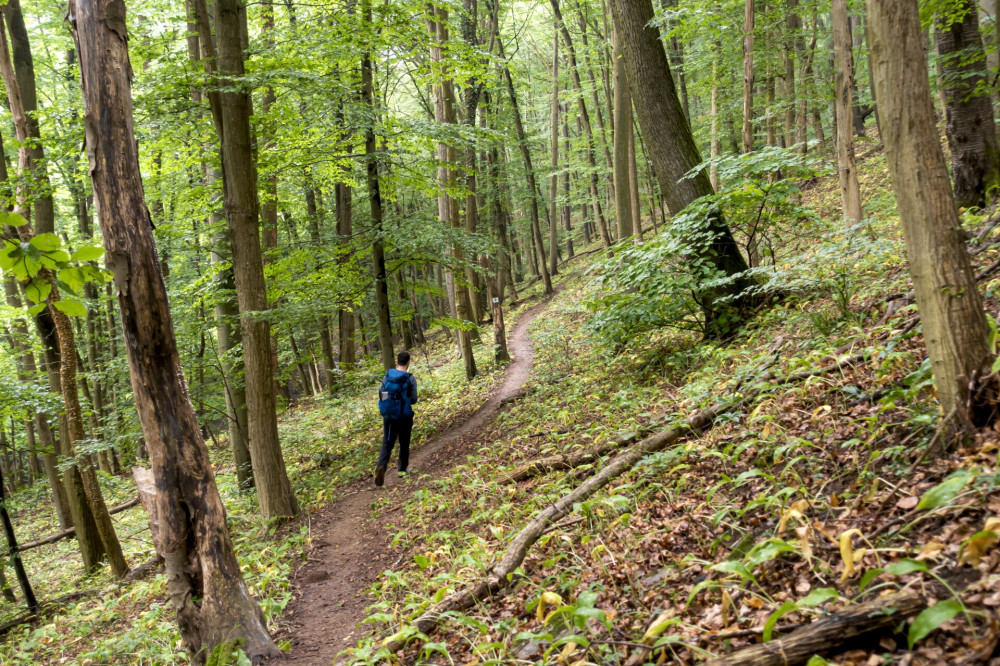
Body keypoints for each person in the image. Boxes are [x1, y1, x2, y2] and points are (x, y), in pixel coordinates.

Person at [374, 351, 418, 487]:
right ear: (408, 362)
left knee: (387, 443)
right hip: (404, 416)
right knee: (404, 442)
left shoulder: (388, 376)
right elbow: (414, 399)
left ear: (397, 362)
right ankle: (402, 469)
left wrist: (391, 406)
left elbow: (382, 395)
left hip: (390, 416)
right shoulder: (410, 378)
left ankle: (381, 466)